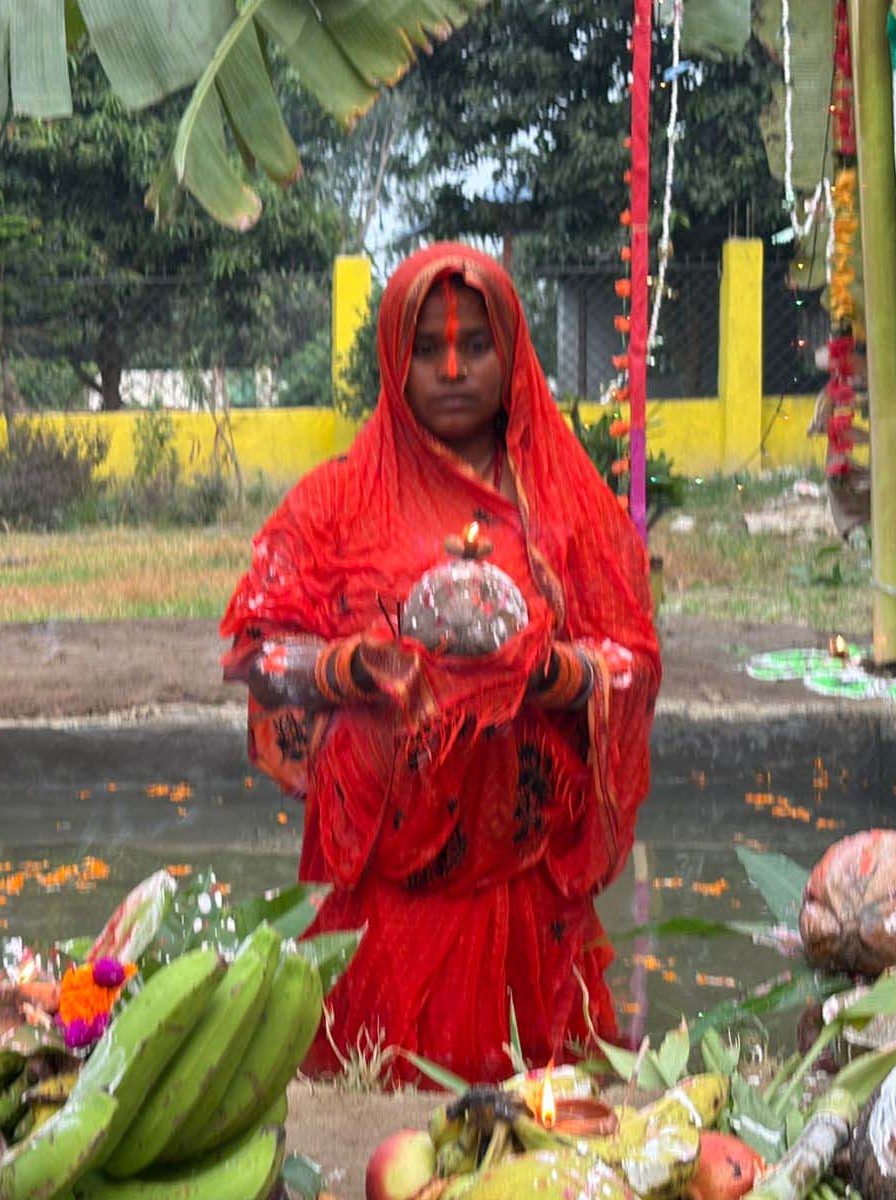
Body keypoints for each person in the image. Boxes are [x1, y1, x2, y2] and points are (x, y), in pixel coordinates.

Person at [222, 244, 658, 1085]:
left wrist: (549, 674)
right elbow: (257, 652)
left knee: (533, 1126)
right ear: (395, 358)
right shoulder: (335, 503)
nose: (452, 370)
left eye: (475, 346)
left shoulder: (566, 511)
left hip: (523, 898)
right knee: (374, 1120)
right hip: (379, 900)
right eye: (427, 349)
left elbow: (632, 663)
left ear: (513, 353)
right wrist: (351, 668)